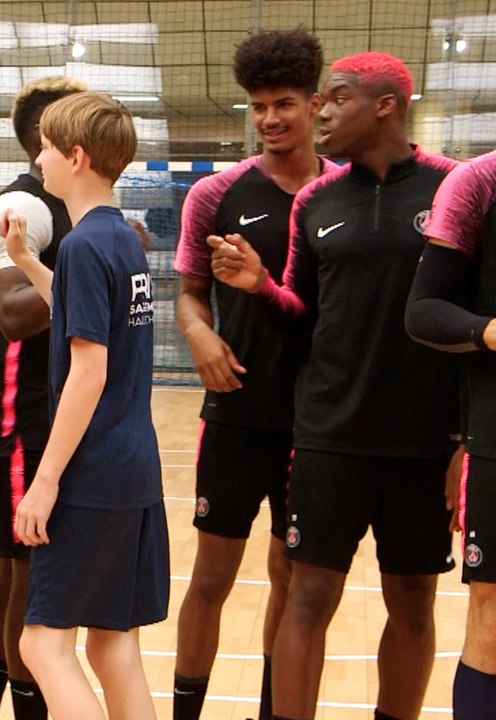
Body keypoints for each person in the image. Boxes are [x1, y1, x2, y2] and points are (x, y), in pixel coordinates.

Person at [210, 52, 459, 720]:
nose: (321, 112)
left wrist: (466, 439)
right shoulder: (316, 203)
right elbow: (302, 319)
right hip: (327, 438)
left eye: (338, 98)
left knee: (413, 603)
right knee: (308, 597)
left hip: (425, 443)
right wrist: (261, 288)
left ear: (385, 105)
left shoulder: (454, 188)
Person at [170, 29, 327, 720]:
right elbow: (188, 292)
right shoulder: (217, 193)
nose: (269, 118)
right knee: (210, 580)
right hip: (235, 412)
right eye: (258, 105)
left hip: (319, 420)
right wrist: (199, 332)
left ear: (317, 104)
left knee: (290, 579)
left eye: (284, 102)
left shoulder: (347, 194)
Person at [5, 91, 168, 720]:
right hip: (133, 468)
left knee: (42, 643)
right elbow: (87, 307)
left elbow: (89, 372)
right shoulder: (119, 238)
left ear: (75, 156)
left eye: (46, 146)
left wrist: (44, 482)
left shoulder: (83, 244)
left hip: (91, 474)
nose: (38, 157)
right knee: (112, 645)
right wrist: (26, 262)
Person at [0, 74, 85, 720]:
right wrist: (86, 275)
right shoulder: (26, 206)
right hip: (17, 413)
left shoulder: (61, 203)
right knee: (27, 573)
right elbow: (13, 312)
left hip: (35, 409)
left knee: (12, 569)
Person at [404, 149, 496, 719]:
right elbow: (424, 310)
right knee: (491, 614)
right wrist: (489, 331)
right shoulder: (479, 182)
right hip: (495, 438)